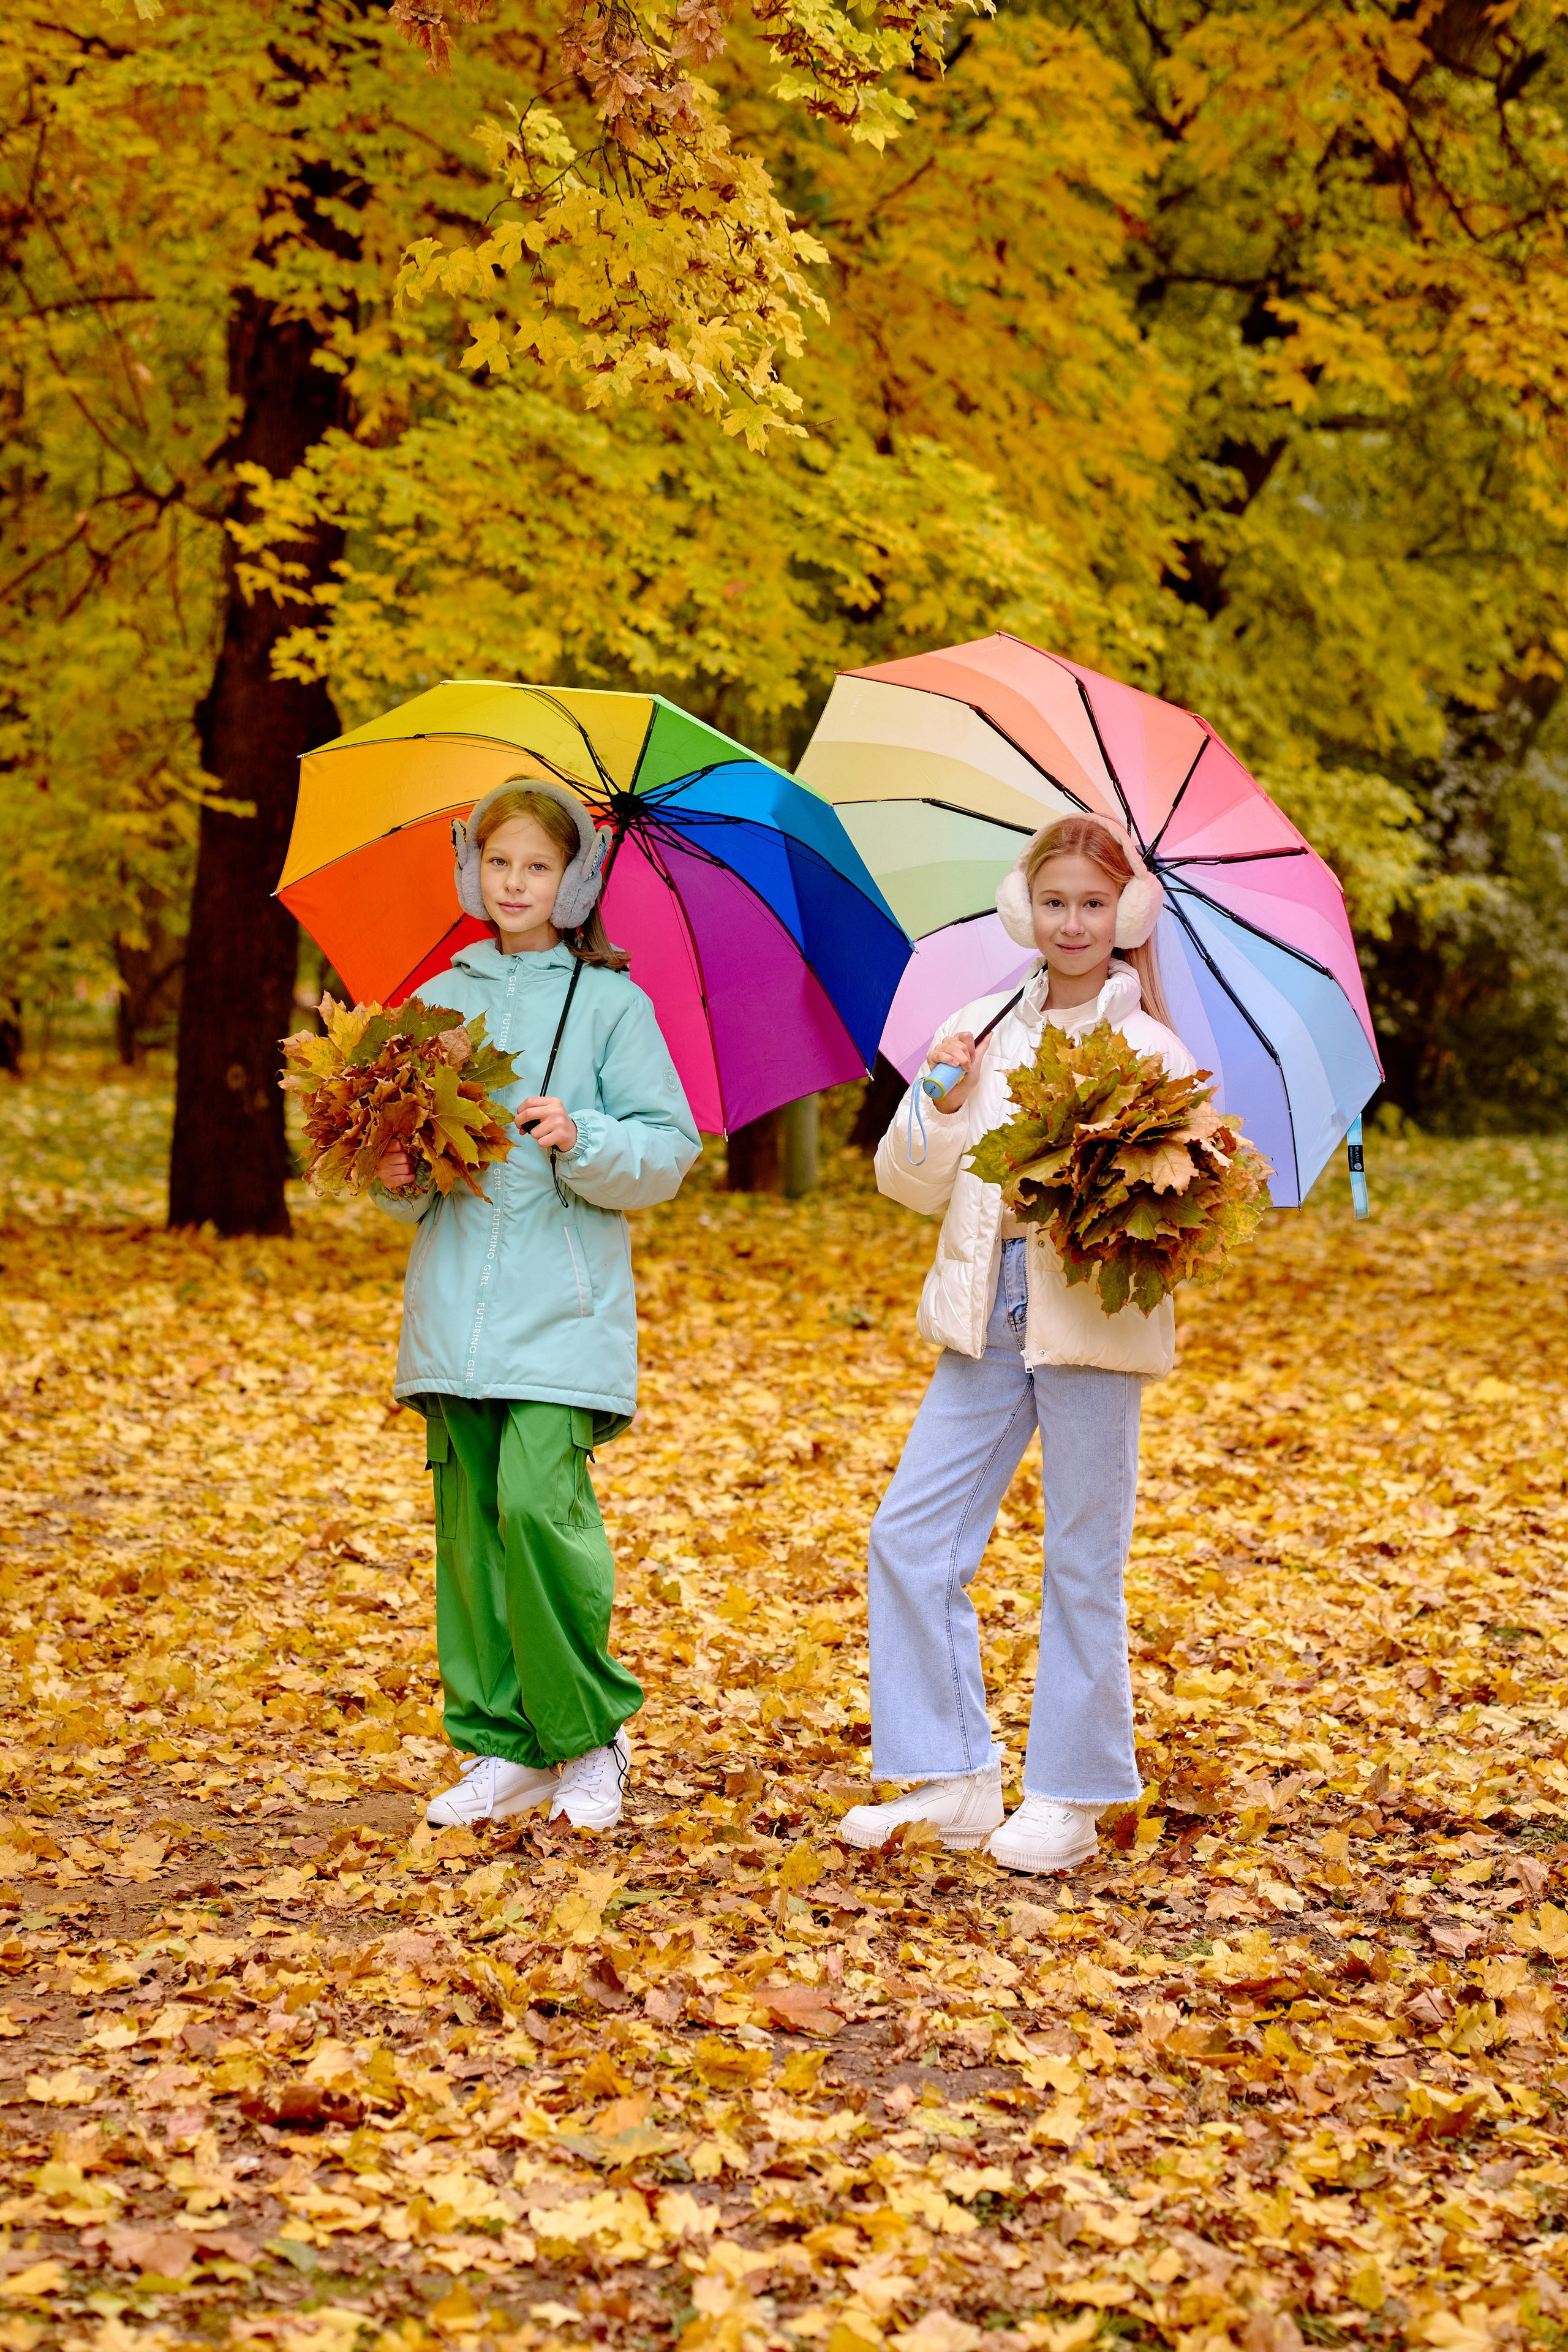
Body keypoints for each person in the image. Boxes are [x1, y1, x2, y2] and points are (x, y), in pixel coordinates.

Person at [842, 812, 1198, 1875]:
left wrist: (1098, 1191)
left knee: (1083, 1557)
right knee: (910, 1533)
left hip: (1089, 1316)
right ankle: (953, 1774)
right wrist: (938, 1105)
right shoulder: (981, 1024)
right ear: (1022, 908)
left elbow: (1184, 1211)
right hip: (984, 1309)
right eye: (1056, 901)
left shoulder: (1150, 1050)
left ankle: (1073, 1795)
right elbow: (907, 1184)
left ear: (1128, 912)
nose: (1075, 921)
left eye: (1096, 903)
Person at [375, 775, 699, 1833]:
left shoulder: (610, 1003)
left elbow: (668, 1150)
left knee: (537, 1510)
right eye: (501, 863)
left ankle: (587, 1736)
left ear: (576, 881)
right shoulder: (438, 1003)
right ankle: (501, 1748)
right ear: (474, 872)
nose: (516, 883)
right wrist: (397, 1158)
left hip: (562, 1314)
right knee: (471, 1533)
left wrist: (587, 1137)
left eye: (539, 867)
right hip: (453, 1310)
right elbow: (402, 1183)